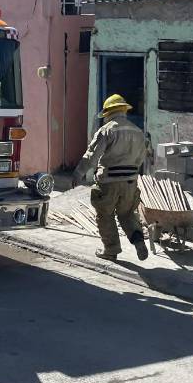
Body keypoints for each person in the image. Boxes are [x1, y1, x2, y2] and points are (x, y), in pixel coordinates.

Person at [72, 94, 149, 261]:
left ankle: (111, 250)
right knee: (127, 213)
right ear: (124, 110)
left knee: (105, 215)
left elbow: (91, 156)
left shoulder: (107, 130)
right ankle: (138, 241)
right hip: (130, 182)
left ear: (108, 112)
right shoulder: (137, 132)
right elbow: (141, 158)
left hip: (108, 182)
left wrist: (79, 173)